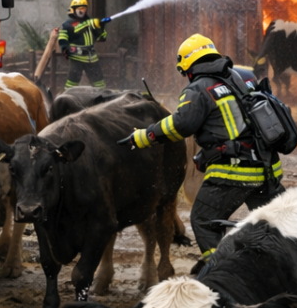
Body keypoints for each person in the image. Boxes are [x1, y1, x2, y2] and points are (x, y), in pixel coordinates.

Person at [118, 33, 284, 256]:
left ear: (188, 66)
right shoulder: (242, 77)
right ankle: (283, 268)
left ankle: (220, 276)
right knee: (277, 226)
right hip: (268, 169)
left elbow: (181, 125)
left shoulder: (198, 89)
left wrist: (144, 136)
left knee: (204, 221)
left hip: (234, 172)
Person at [58, 0, 107, 91]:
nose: (82, 11)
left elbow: (102, 38)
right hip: (76, 58)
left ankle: (102, 98)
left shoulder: (90, 22)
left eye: (84, 8)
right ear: (73, 9)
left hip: (92, 58)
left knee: (99, 83)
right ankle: (68, 98)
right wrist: (65, 48)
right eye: (80, 8)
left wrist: (101, 27)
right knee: (72, 82)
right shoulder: (67, 24)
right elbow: (63, 38)